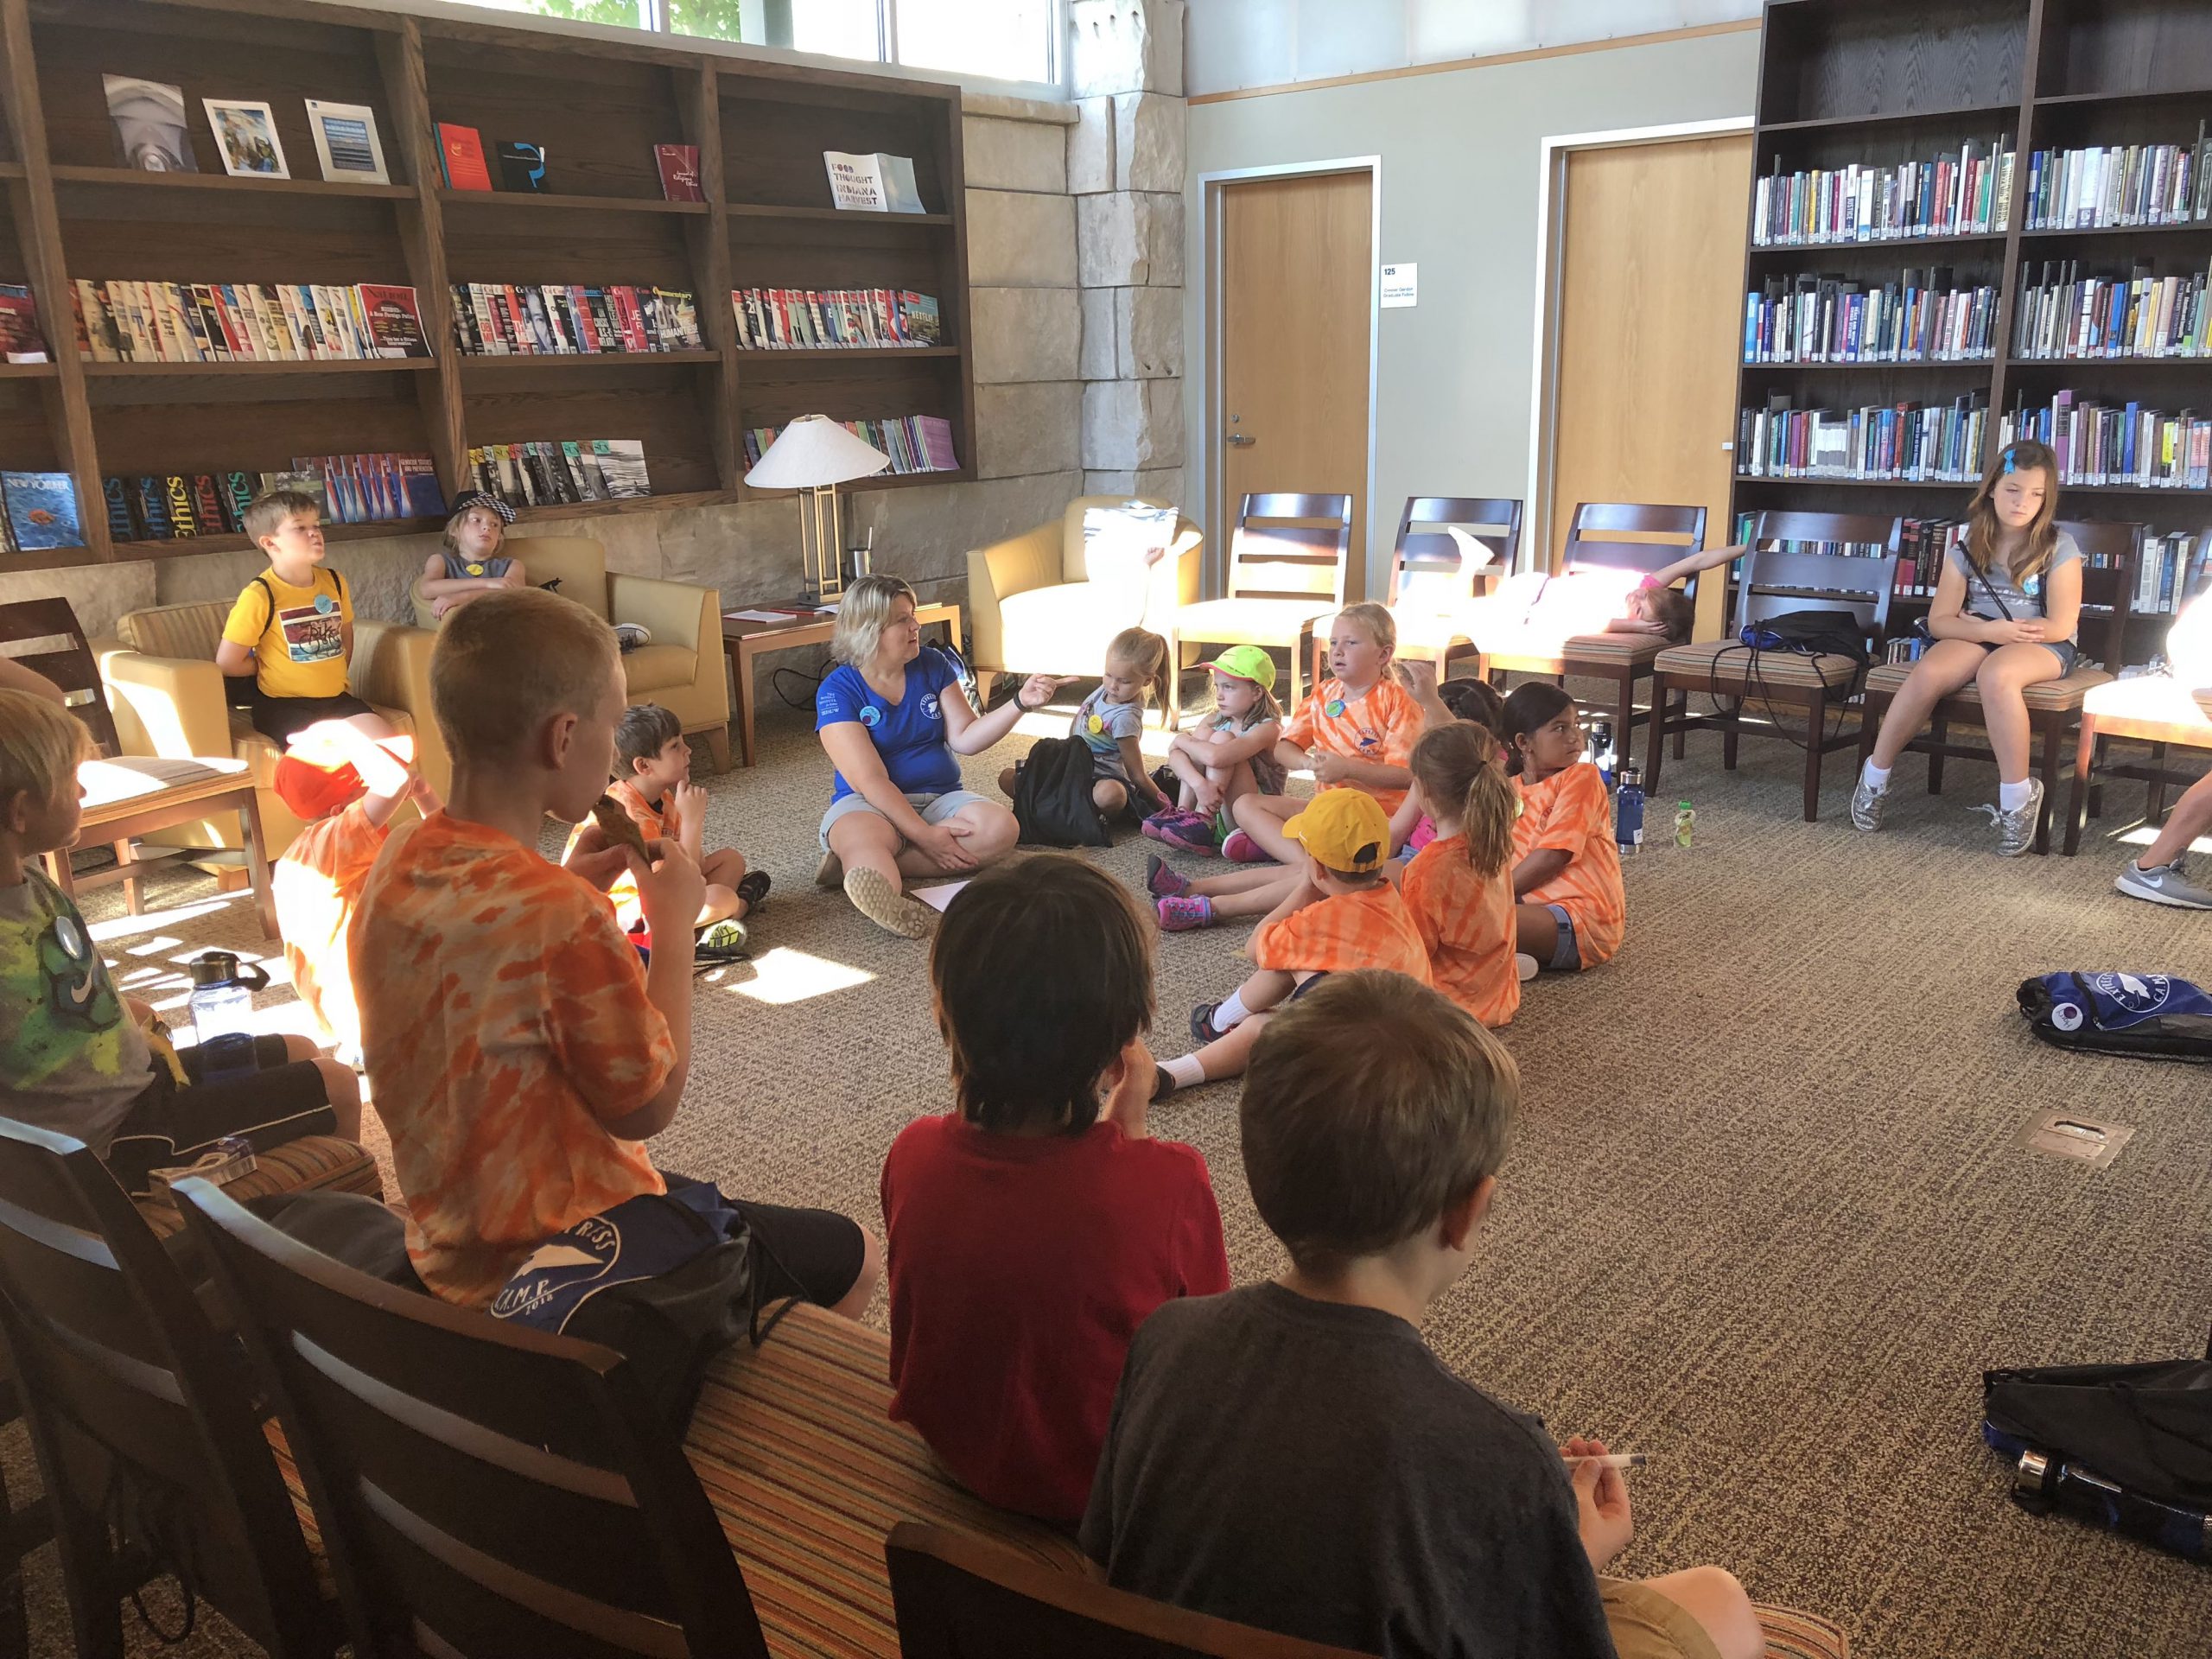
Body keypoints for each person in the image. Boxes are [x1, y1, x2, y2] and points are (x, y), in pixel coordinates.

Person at [1083, 972, 1765, 1659]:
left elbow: (1108, 1561)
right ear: (1468, 1212)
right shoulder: (1501, 1459)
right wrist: (1573, 1550)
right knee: (1721, 1598)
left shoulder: (1167, 1340)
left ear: (1260, 1177)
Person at [350, 588, 880, 1315]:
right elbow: (647, 1106)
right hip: (568, 1258)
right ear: (563, 739)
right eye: (609, 726)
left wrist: (570, 884)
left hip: (451, 1244)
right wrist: (671, 932)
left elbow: (476, 987)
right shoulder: (557, 913)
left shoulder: (398, 859)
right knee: (855, 1258)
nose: (613, 750)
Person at [879, 855, 1230, 1526]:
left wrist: (1120, 1133)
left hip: (951, 1446)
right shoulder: (1171, 1181)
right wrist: (1130, 1140)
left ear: (945, 1014)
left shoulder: (913, 1151)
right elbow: (1204, 1351)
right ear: (1122, 1038)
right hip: (1098, 1493)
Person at [1, 689, 361, 1192]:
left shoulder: (24, 873)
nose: (83, 794)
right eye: (72, 781)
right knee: (339, 1085)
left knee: (303, 1048)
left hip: (139, 1085)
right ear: (21, 813)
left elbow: (41, 699)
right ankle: (339, 1234)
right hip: (122, 1139)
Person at [1852, 440, 2083, 855]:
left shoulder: (2058, 546)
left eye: (2036, 494)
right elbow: (1941, 621)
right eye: (2013, 490)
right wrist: (1990, 632)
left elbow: (2062, 624)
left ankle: (2016, 797)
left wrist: (2009, 632)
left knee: (1997, 676)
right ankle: (1874, 776)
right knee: (1929, 672)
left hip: (2040, 641)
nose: (2022, 502)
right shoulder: (1966, 547)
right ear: (1992, 488)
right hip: (1982, 632)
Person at [816, 575, 1059, 938]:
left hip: (940, 798)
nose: (916, 625)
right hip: (868, 804)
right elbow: (870, 780)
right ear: (869, 629)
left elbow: (965, 738)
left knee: (1002, 828)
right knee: (863, 837)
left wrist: (1020, 703)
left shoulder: (932, 664)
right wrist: (927, 837)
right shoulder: (837, 689)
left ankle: (864, 866)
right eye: (902, 619)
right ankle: (883, 885)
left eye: (913, 615)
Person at [1156, 788, 1429, 1094]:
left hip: (1347, 1074)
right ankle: (1212, 1028)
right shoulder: (1394, 903)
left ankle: (1182, 1064)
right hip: (1404, 1063)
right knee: (1298, 959)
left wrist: (1304, 889)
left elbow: (1255, 949)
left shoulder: (1321, 920)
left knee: (1262, 1024)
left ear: (1317, 867)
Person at [272, 726, 437, 1065]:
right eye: (367, 789)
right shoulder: (326, 849)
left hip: (368, 1013)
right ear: (339, 811)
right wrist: (342, 732)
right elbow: (392, 784)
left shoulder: (336, 849)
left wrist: (424, 793)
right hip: (377, 1019)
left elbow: (456, 845)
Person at [563, 702, 768, 955]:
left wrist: (688, 829)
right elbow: (681, 883)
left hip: (660, 892)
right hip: (619, 917)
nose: (689, 750)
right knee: (722, 898)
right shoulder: (629, 815)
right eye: (675, 746)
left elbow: (695, 864)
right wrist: (693, 822)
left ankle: (701, 929)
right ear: (644, 766)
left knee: (731, 859)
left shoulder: (663, 797)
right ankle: (730, 913)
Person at [1224, 602, 1421, 866]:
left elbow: (1408, 777)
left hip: (1374, 820)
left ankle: (1296, 854)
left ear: (1383, 655)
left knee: (1327, 834)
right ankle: (1310, 864)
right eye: (1334, 642)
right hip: (1325, 810)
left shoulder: (1398, 701)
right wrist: (1307, 762)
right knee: (1245, 806)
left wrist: (1348, 769)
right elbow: (1284, 748)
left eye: (1350, 643)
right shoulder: (1323, 693)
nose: (1337, 651)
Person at [215, 489, 397, 747]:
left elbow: (345, 634)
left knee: (393, 750)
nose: (315, 532)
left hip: (336, 698)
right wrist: (271, 664)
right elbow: (227, 662)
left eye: (316, 525)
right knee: (329, 763)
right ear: (270, 543)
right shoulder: (260, 595)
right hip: (283, 706)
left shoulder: (334, 581)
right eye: (300, 528)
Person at [1401, 721, 1522, 1027]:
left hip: (1447, 1012)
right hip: (1500, 997)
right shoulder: (1495, 837)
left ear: (1424, 790)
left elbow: (1412, 958)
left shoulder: (1426, 869)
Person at [1503, 681, 1624, 974]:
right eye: (1560, 728)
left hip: (1579, 918)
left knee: (1471, 920)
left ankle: (1494, 962)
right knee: (1440, 911)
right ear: (1523, 742)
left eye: (1577, 724)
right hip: (1524, 905)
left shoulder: (1583, 777)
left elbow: (1554, 855)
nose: (1575, 737)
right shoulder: (1507, 789)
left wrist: (1489, 897)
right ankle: (1503, 960)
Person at [998, 626, 1174, 823]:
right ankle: (1063, 809)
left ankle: (1077, 813)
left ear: (1147, 680)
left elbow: (1137, 774)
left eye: (1123, 681)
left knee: (1111, 795)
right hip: (1070, 769)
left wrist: (1166, 806)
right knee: (1008, 778)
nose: (1112, 685)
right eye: (1108, 674)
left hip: (1100, 779)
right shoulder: (1107, 689)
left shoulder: (1125, 718)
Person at [1143, 645, 1287, 855]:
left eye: (1228, 687)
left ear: (1257, 692)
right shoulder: (1213, 720)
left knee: (1219, 740)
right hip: (1214, 802)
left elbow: (1216, 757)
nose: (1219, 695)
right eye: (1217, 686)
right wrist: (1199, 784)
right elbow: (1174, 756)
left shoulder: (1268, 729)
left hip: (1251, 819)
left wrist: (1182, 738)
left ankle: (1202, 821)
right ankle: (1183, 813)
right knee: (1202, 739)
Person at [418, 492, 525, 621]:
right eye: (476, 520)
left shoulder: (512, 565)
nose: (487, 527)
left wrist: (463, 597)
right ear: (454, 530)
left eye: (495, 524)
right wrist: (488, 583)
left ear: (500, 537)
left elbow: (517, 594)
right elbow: (427, 589)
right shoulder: (441, 561)